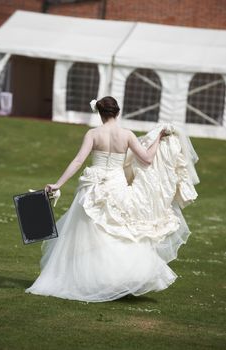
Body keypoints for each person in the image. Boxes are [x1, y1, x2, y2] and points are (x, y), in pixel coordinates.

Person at [25, 96, 199, 302]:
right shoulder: (126, 135)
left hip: (93, 186)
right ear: (118, 112)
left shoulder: (93, 133)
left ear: (99, 113)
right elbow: (147, 159)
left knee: (87, 235)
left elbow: (79, 160)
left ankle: (88, 278)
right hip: (116, 186)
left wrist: (58, 184)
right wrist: (158, 138)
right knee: (118, 231)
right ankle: (120, 278)